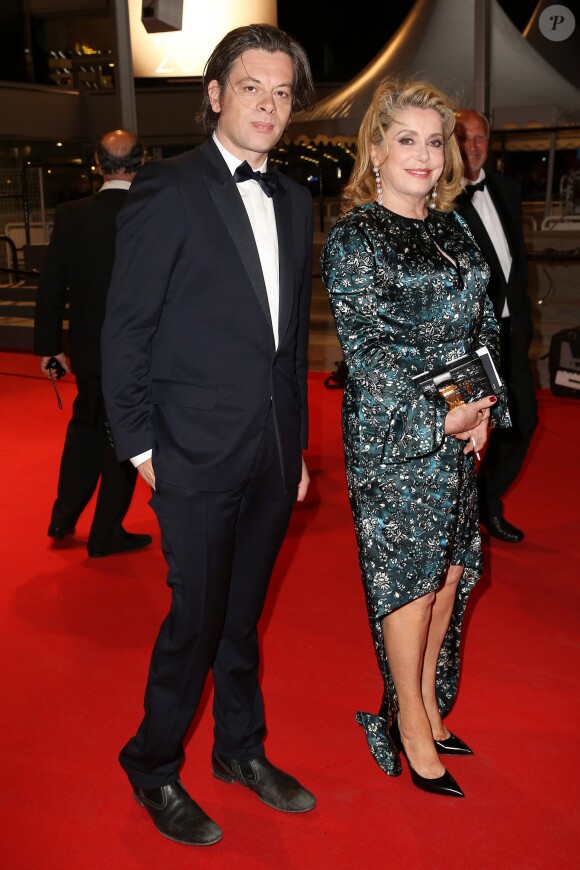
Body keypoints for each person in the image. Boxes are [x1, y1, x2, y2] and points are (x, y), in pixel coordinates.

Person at [100, 24, 317, 847]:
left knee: (242, 617)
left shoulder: (295, 199)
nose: (268, 103)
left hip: (266, 451)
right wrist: (146, 451)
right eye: (252, 86)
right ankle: (152, 764)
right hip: (187, 454)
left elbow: (288, 345)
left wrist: (292, 448)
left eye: (283, 91)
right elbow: (125, 332)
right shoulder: (168, 190)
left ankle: (239, 749)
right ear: (216, 95)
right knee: (195, 619)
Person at [320, 77, 510, 798]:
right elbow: (371, 354)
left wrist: (482, 405)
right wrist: (447, 415)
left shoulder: (450, 223)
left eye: (435, 141)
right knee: (410, 583)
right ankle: (404, 725)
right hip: (397, 438)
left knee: (451, 575)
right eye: (408, 140)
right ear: (376, 149)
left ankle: (424, 704)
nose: (426, 155)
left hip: (461, 428)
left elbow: (482, 322)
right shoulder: (355, 237)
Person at [34, 129, 152, 559]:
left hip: (88, 351)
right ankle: (105, 532)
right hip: (141, 354)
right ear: (141, 163)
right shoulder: (151, 211)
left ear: (98, 165)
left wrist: (49, 346)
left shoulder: (70, 214)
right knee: (127, 438)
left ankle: (63, 517)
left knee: (85, 430)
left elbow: (52, 286)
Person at [454, 109, 538, 543]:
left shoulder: (507, 188)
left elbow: (516, 259)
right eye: (462, 138)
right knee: (466, 433)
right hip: (467, 341)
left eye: (479, 138)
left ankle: (488, 500)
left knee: (524, 420)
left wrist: (519, 317)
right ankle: (464, 514)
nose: (471, 147)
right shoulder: (439, 198)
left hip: (511, 330)